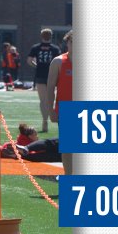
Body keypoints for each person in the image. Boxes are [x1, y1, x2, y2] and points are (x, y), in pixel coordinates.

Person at [48, 29, 74, 175]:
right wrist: (51, 110)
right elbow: (50, 87)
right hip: (66, 110)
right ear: (67, 42)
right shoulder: (58, 62)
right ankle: (69, 177)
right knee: (68, 148)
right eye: (72, 42)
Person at [28, 27, 61, 132]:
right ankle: (52, 116)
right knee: (51, 98)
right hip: (52, 75)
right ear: (51, 36)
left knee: (43, 100)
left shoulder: (36, 47)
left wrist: (36, 66)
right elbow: (59, 62)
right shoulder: (55, 49)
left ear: (41, 36)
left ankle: (45, 119)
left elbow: (29, 61)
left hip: (40, 74)